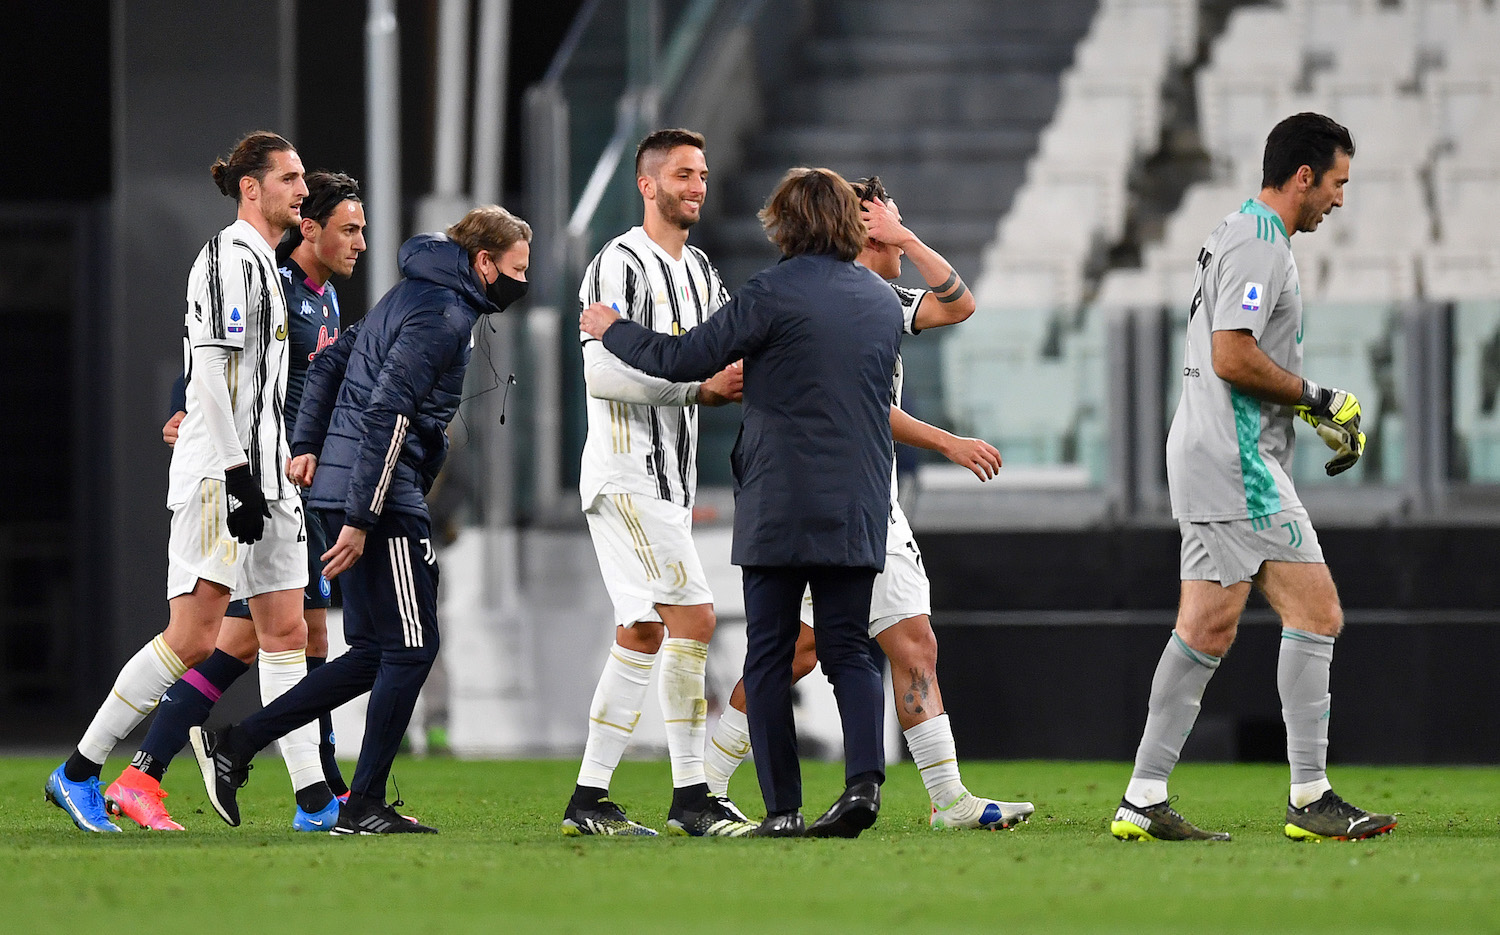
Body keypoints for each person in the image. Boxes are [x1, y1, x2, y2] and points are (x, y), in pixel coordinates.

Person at [700, 177, 1035, 831]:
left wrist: (905, 234)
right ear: (858, 232)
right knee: (801, 650)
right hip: (832, 503)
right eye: (887, 226)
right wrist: (946, 440)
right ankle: (707, 783)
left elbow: (957, 303)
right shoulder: (834, 303)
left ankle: (947, 797)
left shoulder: (882, 298)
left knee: (911, 641)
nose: (901, 244)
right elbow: (861, 408)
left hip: (868, 500)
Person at [188, 205, 531, 835]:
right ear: (484, 263)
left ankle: (236, 745)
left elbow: (326, 365)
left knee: (374, 651)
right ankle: (364, 803)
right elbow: (390, 412)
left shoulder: (412, 295)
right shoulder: (444, 313)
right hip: (381, 492)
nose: (520, 283)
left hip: (353, 482)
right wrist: (363, 516)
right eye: (516, 270)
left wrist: (308, 446)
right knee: (414, 645)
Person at [582, 166, 902, 838]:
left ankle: (782, 809)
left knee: (768, 651)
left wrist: (611, 328)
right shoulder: (877, 300)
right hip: (860, 496)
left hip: (781, 497)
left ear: (784, 223)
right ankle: (864, 785)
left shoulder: (771, 294)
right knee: (848, 647)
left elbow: (683, 357)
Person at [1110, 112, 1395, 843]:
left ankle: (1142, 797)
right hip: (1236, 463)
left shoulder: (1236, 231)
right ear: (1304, 176)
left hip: (1211, 449)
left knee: (1204, 626)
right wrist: (1316, 396)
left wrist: (1304, 410)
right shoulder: (1262, 243)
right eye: (1337, 183)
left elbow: (1235, 360)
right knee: (1318, 611)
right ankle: (1310, 794)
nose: (1339, 199)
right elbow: (1232, 354)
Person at [45, 131, 309, 832]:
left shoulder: (268, 266)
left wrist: (268, 475)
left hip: (268, 481)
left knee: (285, 628)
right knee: (192, 636)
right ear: (252, 187)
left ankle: (316, 804)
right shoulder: (226, 259)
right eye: (290, 178)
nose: (302, 191)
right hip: (224, 475)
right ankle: (78, 770)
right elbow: (212, 381)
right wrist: (236, 472)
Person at [113, 171, 367, 832]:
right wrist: (181, 411)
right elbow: (210, 363)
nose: (360, 242)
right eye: (349, 228)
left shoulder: (328, 301)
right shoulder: (273, 288)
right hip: (259, 487)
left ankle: (154, 769)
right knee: (261, 637)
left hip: (295, 491)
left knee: (266, 638)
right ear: (308, 227)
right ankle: (314, 789)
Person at [563, 128, 755, 838]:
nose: (697, 186)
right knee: (695, 619)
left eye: (702, 173)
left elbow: (733, 344)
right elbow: (599, 371)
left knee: (643, 630)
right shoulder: (618, 263)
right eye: (682, 174)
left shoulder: (702, 269)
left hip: (665, 478)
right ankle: (692, 794)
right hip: (627, 470)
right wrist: (696, 392)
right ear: (648, 184)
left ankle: (589, 798)